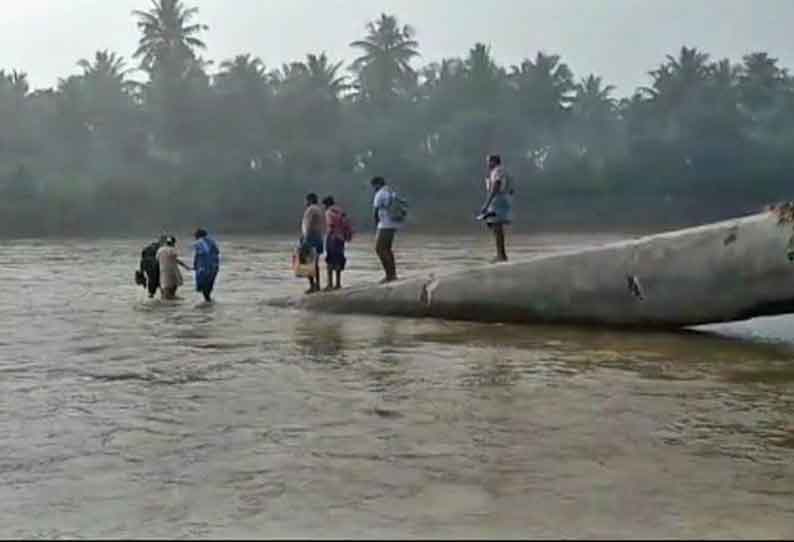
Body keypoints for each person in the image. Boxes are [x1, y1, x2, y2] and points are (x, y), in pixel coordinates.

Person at [478, 154, 513, 263]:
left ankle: (501, 256)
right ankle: (501, 254)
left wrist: (486, 203)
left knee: (497, 228)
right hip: (502, 199)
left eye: (489, 161)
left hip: (497, 200)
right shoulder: (503, 171)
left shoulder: (497, 171)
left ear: (494, 161)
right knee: (494, 225)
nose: (487, 164)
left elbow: (496, 186)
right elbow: (511, 189)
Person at [371, 176, 403, 283]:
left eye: (374, 186)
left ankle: (389, 275)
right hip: (393, 223)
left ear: (378, 184)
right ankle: (392, 274)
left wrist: (376, 224)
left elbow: (375, 211)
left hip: (384, 224)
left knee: (379, 249)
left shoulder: (380, 193)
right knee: (387, 249)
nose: (373, 188)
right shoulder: (391, 191)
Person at [323, 196, 353, 290]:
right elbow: (347, 224)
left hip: (332, 238)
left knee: (330, 260)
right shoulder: (341, 211)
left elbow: (331, 225)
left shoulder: (329, 212)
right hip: (341, 239)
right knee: (339, 260)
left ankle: (330, 284)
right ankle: (338, 284)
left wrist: (329, 235)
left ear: (326, 204)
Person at [301, 193, 326, 294]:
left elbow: (309, 224)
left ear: (310, 200)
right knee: (315, 263)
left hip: (311, 237)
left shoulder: (311, 209)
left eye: (306, 200)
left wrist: (305, 238)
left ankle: (312, 286)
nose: (305, 202)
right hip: (318, 237)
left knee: (308, 263)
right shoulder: (319, 209)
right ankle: (317, 285)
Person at [193, 228, 220, 302]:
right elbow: (217, 252)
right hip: (214, 266)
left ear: (198, 235)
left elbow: (199, 254)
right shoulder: (212, 241)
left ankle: (207, 301)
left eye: (195, 235)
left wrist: (195, 265)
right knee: (209, 284)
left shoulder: (198, 243)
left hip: (204, 267)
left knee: (203, 285)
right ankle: (208, 301)